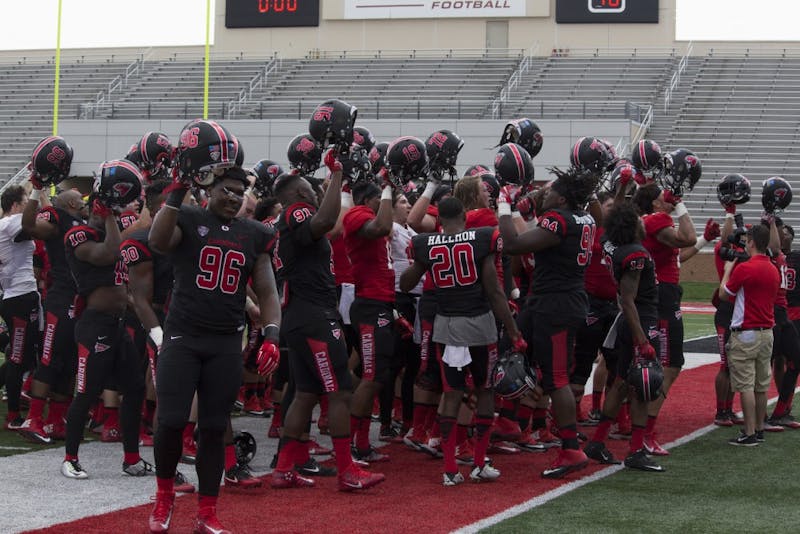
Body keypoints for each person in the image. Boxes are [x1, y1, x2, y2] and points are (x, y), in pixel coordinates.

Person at [147, 165, 282, 533]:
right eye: (227, 190)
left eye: (240, 192)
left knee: (212, 427)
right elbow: (157, 242)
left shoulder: (255, 233)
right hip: (183, 336)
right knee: (172, 420)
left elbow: (268, 291)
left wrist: (272, 333)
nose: (234, 197)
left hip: (224, 340)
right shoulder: (188, 217)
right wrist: (176, 191)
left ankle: (207, 512)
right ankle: (164, 498)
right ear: (209, 189)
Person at [269, 150, 385, 492]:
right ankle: (348, 470)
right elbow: (322, 221)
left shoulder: (288, 220)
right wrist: (335, 175)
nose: (315, 191)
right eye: (310, 187)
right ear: (300, 193)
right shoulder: (298, 209)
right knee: (341, 391)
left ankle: (285, 467)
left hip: (300, 313)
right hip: (314, 314)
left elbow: (329, 226)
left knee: (306, 392)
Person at [401, 196, 526, 485]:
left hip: (446, 326)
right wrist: (513, 330)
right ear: (465, 216)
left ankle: (449, 469)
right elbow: (494, 291)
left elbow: (407, 284)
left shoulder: (426, 244)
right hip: (479, 325)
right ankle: (479, 463)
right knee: (484, 390)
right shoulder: (481, 238)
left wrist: (423, 260)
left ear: (440, 220)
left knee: (452, 393)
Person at [498, 167, 597, 479]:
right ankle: (509, 417)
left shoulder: (559, 219)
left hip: (556, 303)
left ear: (563, 197)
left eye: (551, 190)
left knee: (555, 378)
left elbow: (513, 244)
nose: (545, 193)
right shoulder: (586, 218)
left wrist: (504, 205)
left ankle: (570, 448)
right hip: (549, 299)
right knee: (512, 347)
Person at [61, 166, 149, 480]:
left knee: (135, 388)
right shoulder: (78, 235)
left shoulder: (110, 229)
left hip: (117, 324)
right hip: (93, 325)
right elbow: (111, 253)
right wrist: (109, 216)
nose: (97, 211)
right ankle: (70, 458)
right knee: (86, 392)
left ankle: (131, 458)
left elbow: (124, 280)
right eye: (93, 208)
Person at [583, 201, 665, 472]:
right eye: (638, 218)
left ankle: (597, 442)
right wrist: (643, 341)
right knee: (644, 385)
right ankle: (636, 450)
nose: (643, 221)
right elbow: (628, 300)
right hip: (639, 320)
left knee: (620, 382)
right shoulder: (634, 254)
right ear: (631, 226)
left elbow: (606, 224)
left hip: (629, 321)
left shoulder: (610, 243)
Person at [632, 183, 697, 456]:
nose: (667, 200)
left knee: (661, 366)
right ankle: (646, 430)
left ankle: (639, 427)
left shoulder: (653, 222)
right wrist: (680, 205)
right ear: (654, 204)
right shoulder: (657, 219)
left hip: (659, 293)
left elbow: (679, 255)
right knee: (668, 366)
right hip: (662, 296)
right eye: (663, 197)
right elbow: (688, 237)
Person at [17, 186, 86, 443]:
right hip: (61, 297)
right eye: (80, 198)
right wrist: (36, 192)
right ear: (69, 203)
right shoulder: (57, 217)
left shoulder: (84, 221)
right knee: (49, 358)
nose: (84, 201)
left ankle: (56, 420)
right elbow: (30, 227)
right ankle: (34, 418)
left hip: (80, 299)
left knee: (68, 363)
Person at [343, 180, 397, 462]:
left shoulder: (370, 216)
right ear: (369, 198)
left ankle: (361, 442)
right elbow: (381, 227)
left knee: (379, 375)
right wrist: (387, 190)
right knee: (372, 376)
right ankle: (353, 443)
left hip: (381, 303)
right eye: (380, 199)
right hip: (369, 304)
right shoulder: (357, 214)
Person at [719, 224, 780, 445]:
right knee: (761, 385)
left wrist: (727, 270)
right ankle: (760, 428)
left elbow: (724, 295)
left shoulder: (745, 268)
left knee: (745, 385)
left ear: (752, 241)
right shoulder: (773, 268)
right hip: (767, 332)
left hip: (746, 331)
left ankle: (749, 432)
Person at [0, 185, 41, 431]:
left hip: (19, 294)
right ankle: (13, 416)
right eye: (26, 201)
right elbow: (29, 227)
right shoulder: (12, 222)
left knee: (25, 356)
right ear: (15, 204)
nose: (28, 205)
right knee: (17, 357)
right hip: (19, 296)